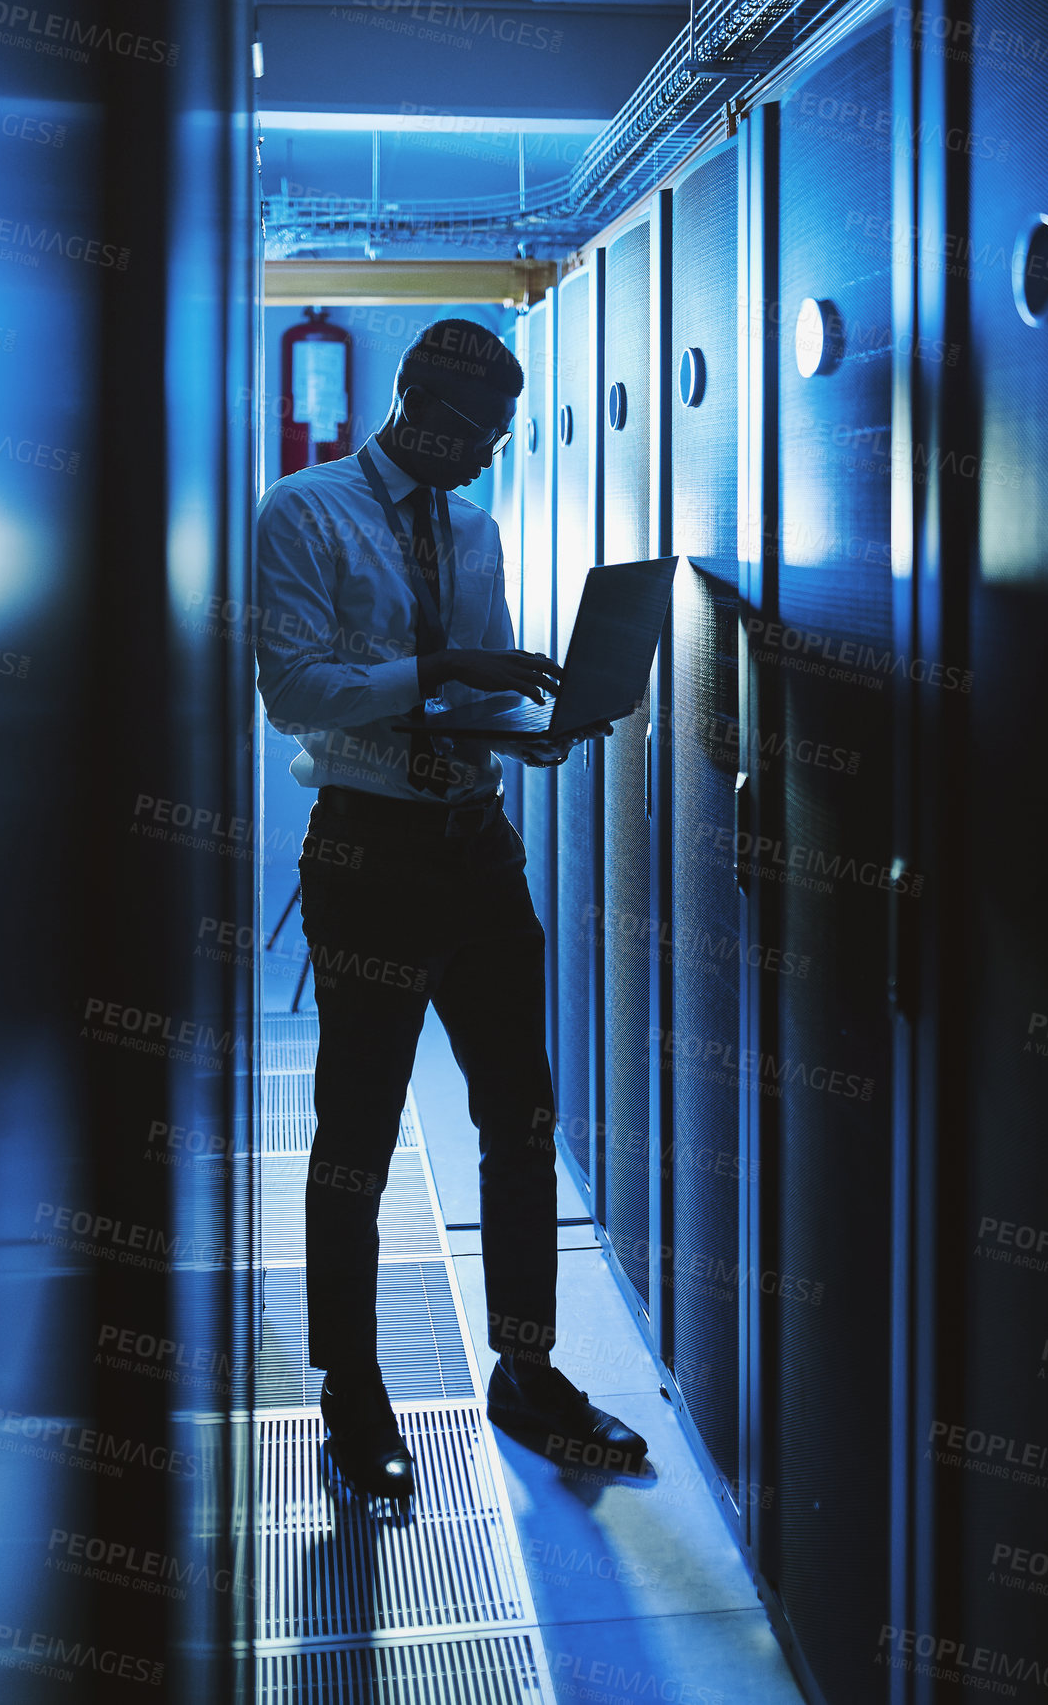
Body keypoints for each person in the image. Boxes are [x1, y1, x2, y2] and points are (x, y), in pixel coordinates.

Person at [255, 316, 647, 1498]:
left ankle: (525, 1374)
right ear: (417, 402)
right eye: (478, 430)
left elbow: (464, 701)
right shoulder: (303, 512)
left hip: (478, 850)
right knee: (357, 1138)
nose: (488, 454)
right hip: (367, 857)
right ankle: (350, 1394)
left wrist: (534, 730)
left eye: (502, 434)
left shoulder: (473, 529)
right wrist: (440, 675)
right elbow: (294, 688)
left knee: (520, 1120)